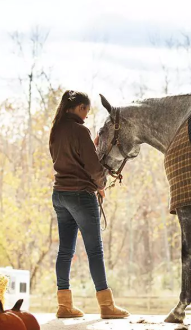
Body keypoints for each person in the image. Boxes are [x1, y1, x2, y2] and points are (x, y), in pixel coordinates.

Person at [49, 90, 130, 319]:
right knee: (95, 251)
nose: (86, 115)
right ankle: (106, 306)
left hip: (59, 194)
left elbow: (67, 159)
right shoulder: (80, 130)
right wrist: (101, 184)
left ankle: (64, 306)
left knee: (65, 251)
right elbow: (94, 167)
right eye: (85, 110)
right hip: (80, 195)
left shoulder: (56, 130)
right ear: (78, 108)